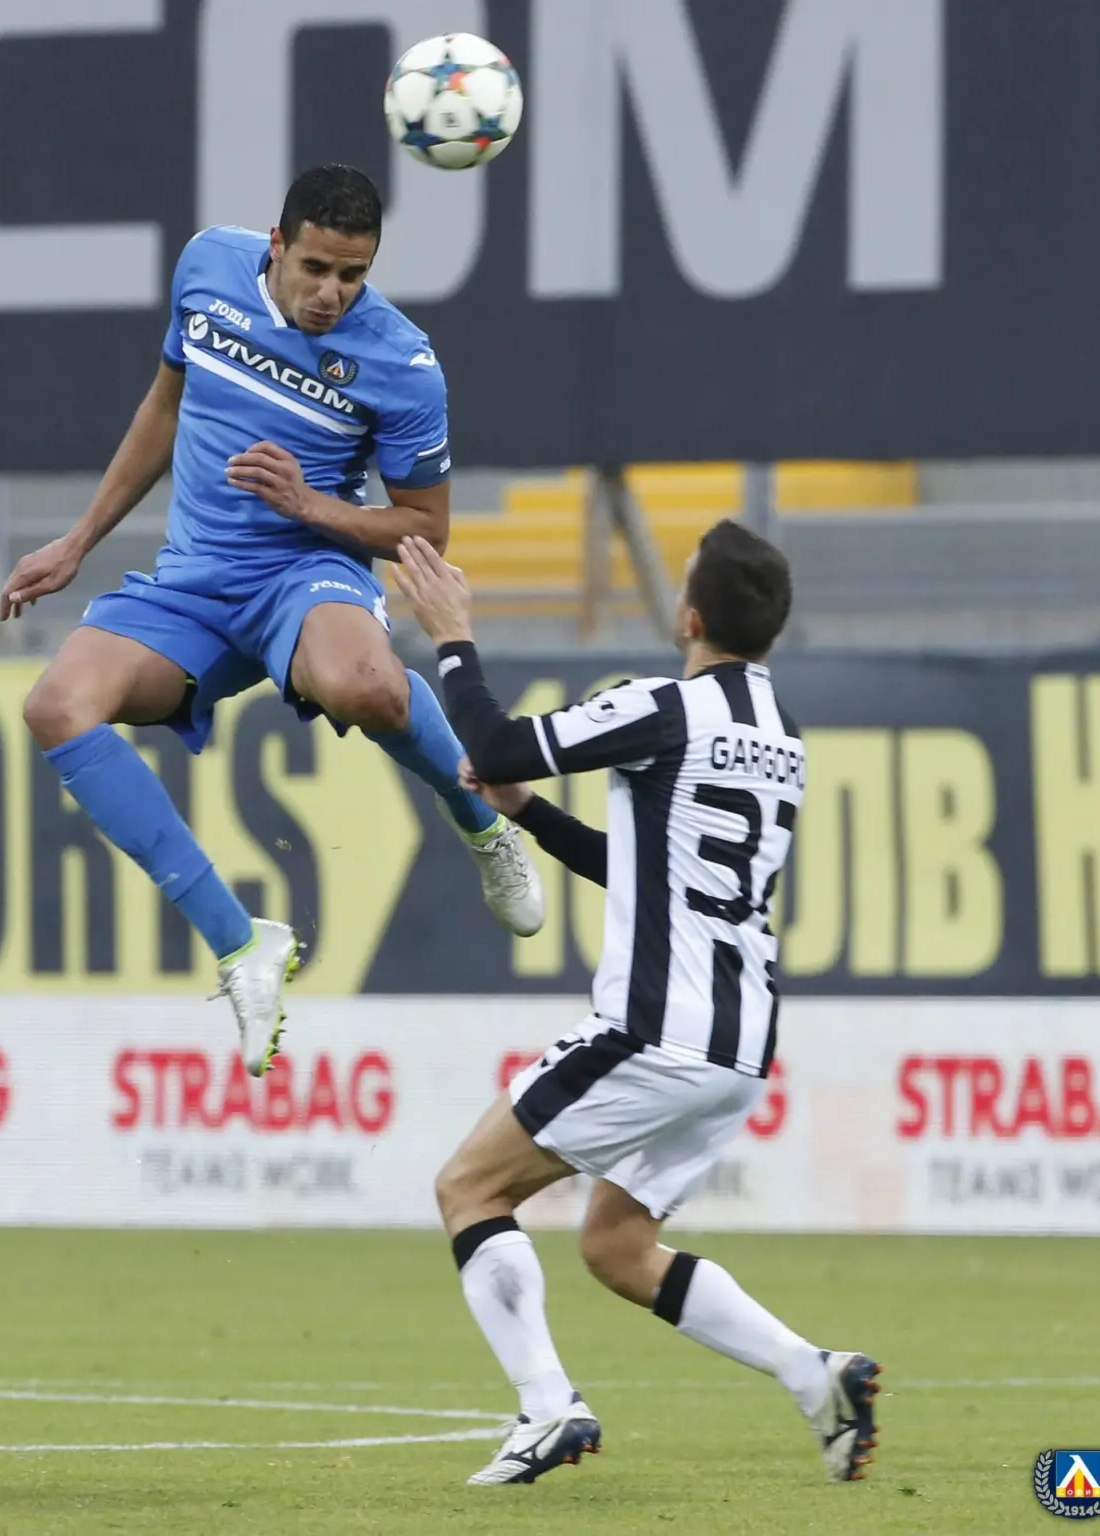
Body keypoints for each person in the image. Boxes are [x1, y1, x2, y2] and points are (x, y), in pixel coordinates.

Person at [0, 164, 543, 1076]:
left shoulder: (402, 364)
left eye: (354, 275)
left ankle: (481, 818)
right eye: (317, 268)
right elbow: (165, 402)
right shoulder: (207, 266)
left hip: (304, 572)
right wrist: (79, 539)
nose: (332, 293)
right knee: (56, 707)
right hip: (193, 582)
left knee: (367, 688)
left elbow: (424, 528)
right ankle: (241, 942)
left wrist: (309, 506)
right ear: (277, 245)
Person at [392, 520, 881, 1488]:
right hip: (740, 1048)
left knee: (468, 1189)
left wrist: (451, 636)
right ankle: (815, 1376)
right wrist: (529, 812)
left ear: (688, 616)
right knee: (617, 1246)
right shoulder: (781, 735)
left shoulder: (667, 708)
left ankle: (547, 1408)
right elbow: (650, 871)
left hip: (656, 1029)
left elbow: (496, 742)